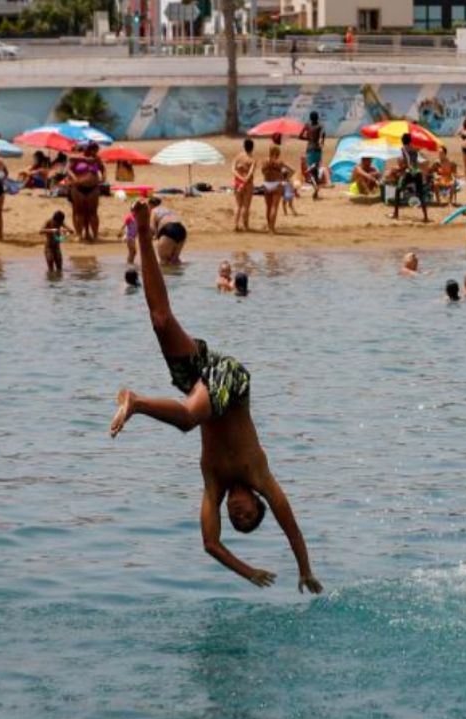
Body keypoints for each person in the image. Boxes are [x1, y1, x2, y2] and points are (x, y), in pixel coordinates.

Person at [110, 201, 321, 594]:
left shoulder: (213, 484)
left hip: (202, 386)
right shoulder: (260, 476)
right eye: (249, 517)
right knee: (189, 418)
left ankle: (142, 231)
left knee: (160, 320)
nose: (240, 515)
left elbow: (210, 543)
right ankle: (136, 402)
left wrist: (249, 572)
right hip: (230, 381)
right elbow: (291, 525)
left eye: (236, 520)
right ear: (258, 504)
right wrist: (304, 570)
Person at [68, 142, 106, 242]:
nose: (96, 153)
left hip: (93, 188)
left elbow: (102, 168)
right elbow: (69, 168)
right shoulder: (78, 158)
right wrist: (74, 177)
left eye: (97, 151)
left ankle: (95, 235)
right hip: (78, 188)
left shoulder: (96, 159)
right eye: (95, 150)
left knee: (93, 213)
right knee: (79, 212)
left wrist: (103, 177)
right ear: (88, 149)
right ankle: (79, 235)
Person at [393, 133, 430, 223]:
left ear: (402, 141)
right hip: (417, 172)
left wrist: (401, 169)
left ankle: (396, 213)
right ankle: (425, 217)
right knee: (421, 194)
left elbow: (406, 163)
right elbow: (416, 161)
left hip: (410, 172)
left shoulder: (403, 149)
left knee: (398, 190)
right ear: (410, 140)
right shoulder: (415, 148)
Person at [260, 145, 292, 233]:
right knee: (274, 207)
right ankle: (272, 229)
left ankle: (269, 226)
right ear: (278, 152)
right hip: (277, 184)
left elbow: (263, 172)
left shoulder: (265, 161)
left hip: (267, 184)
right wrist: (284, 177)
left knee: (268, 207)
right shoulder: (280, 162)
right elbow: (292, 170)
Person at [148, 196, 188, 264]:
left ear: (150, 205)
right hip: (181, 229)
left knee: (164, 260)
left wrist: (155, 236)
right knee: (175, 259)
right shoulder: (168, 209)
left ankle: (166, 274)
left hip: (168, 229)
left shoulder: (153, 211)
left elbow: (152, 226)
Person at [299, 111, 325, 200]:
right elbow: (322, 135)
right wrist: (321, 141)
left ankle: (315, 188)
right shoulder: (320, 126)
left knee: (311, 171)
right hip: (318, 149)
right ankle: (316, 192)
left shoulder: (307, 125)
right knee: (316, 170)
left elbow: (300, 136)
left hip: (310, 149)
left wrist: (308, 138)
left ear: (310, 118)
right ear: (317, 117)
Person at [232, 138, 257, 231]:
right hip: (248, 183)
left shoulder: (238, 156)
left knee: (238, 205)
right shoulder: (253, 159)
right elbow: (251, 172)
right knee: (246, 206)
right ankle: (245, 226)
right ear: (252, 147)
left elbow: (233, 169)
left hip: (237, 182)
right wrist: (244, 180)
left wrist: (240, 178)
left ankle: (235, 225)